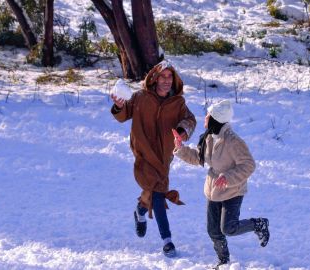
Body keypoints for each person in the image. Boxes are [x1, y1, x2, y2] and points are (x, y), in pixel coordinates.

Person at [110, 60, 196, 257]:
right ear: (154, 78)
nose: (166, 81)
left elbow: (190, 120)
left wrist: (182, 132)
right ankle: (167, 240)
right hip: (143, 155)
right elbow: (123, 115)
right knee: (158, 193)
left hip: (165, 157)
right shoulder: (141, 97)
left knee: (153, 191)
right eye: (162, 76)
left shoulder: (178, 103)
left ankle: (140, 210)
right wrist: (119, 106)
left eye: (169, 77)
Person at [172, 100, 269, 268]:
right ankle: (223, 262)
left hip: (233, 190)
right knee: (213, 230)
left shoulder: (233, 141)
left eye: (208, 116)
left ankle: (258, 224)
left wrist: (228, 177)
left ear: (215, 119)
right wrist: (181, 148)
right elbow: (198, 158)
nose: (205, 118)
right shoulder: (209, 137)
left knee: (228, 228)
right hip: (214, 190)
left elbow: (249, 165)